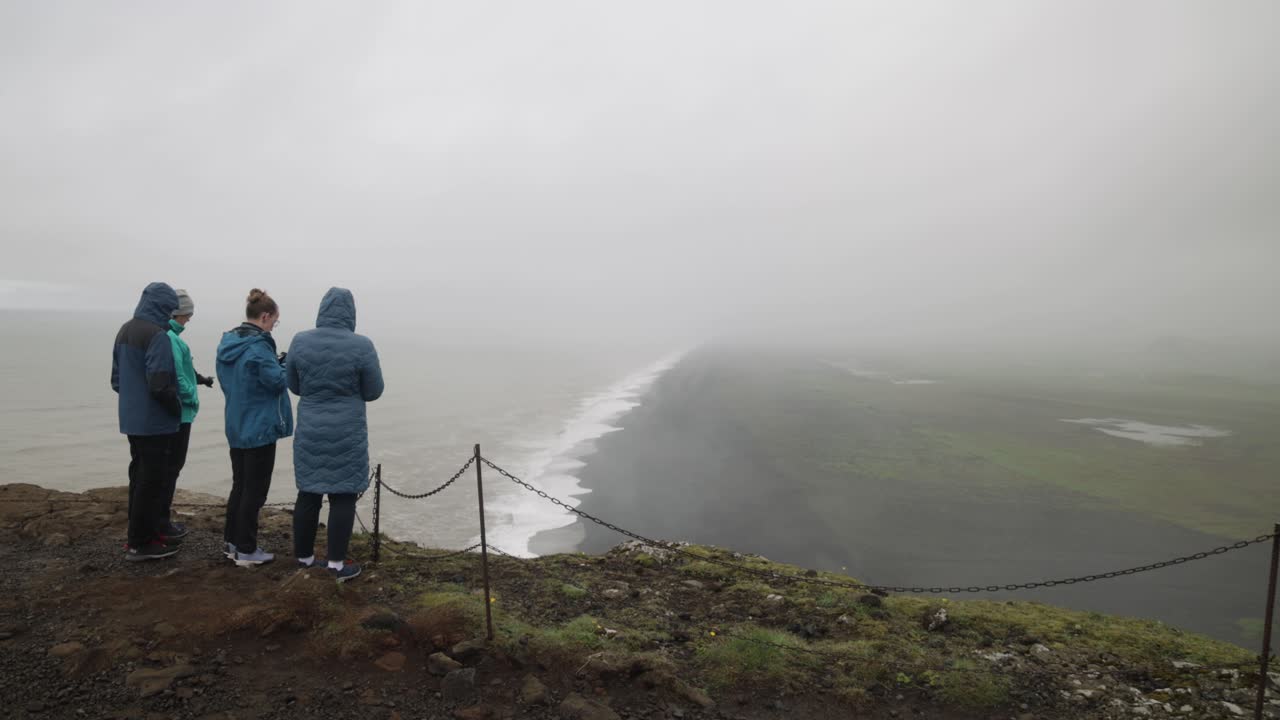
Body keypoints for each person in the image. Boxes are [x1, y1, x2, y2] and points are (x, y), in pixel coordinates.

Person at [287, 287, 383, 582]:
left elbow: (293, 384)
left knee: (308, 492)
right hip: (347, 430)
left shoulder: (300, 341)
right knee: (343, 496)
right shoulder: (362, 345)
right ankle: (337, 565)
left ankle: (304, 559)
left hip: (311, 427)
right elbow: (374, 390)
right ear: (351, 313)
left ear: (321, 310)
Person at [216, 288, 293, 567]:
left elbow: (244, 378)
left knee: (240, 485)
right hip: (259, 426)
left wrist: (276, 363)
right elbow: (276, 382)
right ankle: (247, 549)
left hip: (237, 422)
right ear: (264, 316)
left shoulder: (229, 342)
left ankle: (232, 542)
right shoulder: (259, 346)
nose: (274, 326)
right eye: (275, 321)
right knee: (255, 491)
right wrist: (287, 365)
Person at [111, 282, 183, 561]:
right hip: (154, 422)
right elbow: (160, 384)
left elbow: (116, 380)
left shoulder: (125, 330)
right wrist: (175, 407)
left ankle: (143, 535)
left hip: (131, 419)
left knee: (138, 478)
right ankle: (141, 543)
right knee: (152, 483)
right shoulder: (157, 335)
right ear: (163, 306)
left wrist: (133, 401)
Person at [160, 289, 215, 539]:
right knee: (171, 468)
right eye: (188, 314)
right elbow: (179, 377)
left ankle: (161, 519)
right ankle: (163, 522)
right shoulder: (171, 338)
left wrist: (201, 380)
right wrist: (191, 398)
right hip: (180, 413)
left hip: (176, 412)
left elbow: (186, 369)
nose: (189, 320)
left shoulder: (168, 335)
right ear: (178, 313)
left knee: (168, 468)